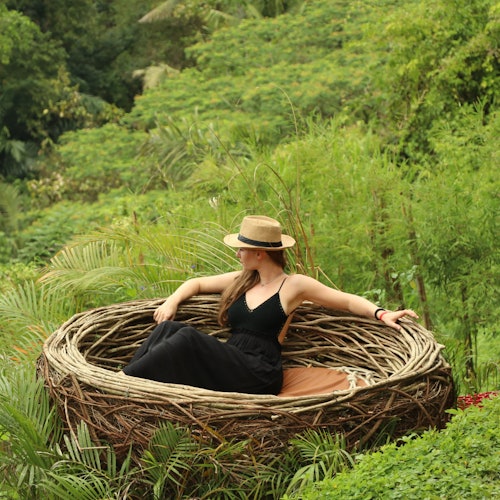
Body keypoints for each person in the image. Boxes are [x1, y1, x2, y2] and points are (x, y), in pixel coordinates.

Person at [121, 215, 418, 394]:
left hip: (260, 371)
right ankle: (125, 377)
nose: (238, 253)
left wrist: (382, 313)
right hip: (234, 359)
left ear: (260, 253)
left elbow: (347, 301)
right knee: (170, 327)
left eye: (242, 248)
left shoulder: (294, 285)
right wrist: (173, 300)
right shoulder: (243, 280)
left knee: (185, 337)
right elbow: (196, 283)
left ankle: (126, 383)